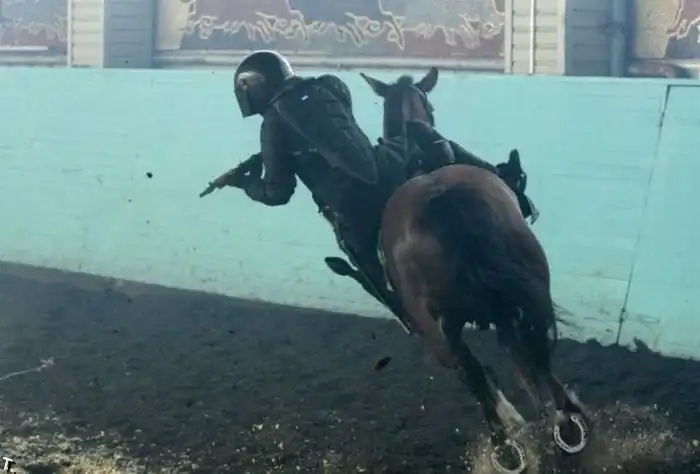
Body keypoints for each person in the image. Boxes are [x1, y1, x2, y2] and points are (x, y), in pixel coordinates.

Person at [210, 49, 412, 330]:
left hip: (351, 204)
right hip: (387, 171)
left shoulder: (273, 122)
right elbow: (332, 137)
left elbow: (278, 192)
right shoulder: (329, 87)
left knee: (369, 265)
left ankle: (410, 317)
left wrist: (246, 183)